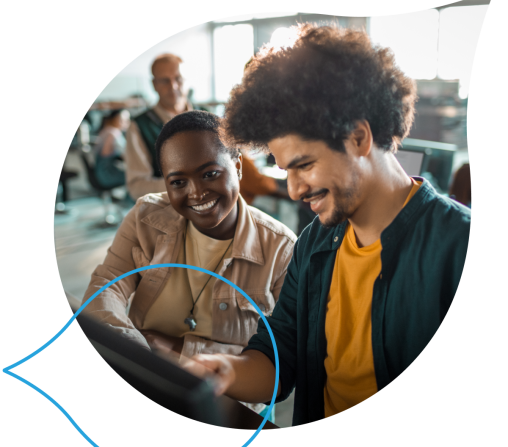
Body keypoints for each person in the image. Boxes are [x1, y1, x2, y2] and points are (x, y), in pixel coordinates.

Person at [183, 24, 471, 425]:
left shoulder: (456, 247)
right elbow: (279, 352)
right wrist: (225, 371)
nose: (295, 189)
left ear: (358, 137)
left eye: (304, 165)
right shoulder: (315, 244)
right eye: (285, 170)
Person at [82, 110, 297, 420]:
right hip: (150, 383)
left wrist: (178, 352)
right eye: (178, 181)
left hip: (228, 405)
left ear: (237, 167)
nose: (196, 192)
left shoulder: (282, 249)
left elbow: (277, 362)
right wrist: (141, 354)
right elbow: (104, 289)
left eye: (210, 173)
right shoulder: (145, 217)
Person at [125, 53, 192, 200]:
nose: (173, 86)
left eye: (178, 79)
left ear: (187, 81)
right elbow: (137, 186)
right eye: (165, 81)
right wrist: (187, 185)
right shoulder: (139, 126)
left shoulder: (208, 117)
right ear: (154, 85)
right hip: (168, 210)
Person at [93, 109, 130, 189]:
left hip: (99, 172)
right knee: (134, 176)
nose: (127, 122)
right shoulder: (113, 133)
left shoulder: (106, 130)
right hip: (107, 174)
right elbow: (106, 156)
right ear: (115, 119)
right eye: (124, 119)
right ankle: (130, 200)